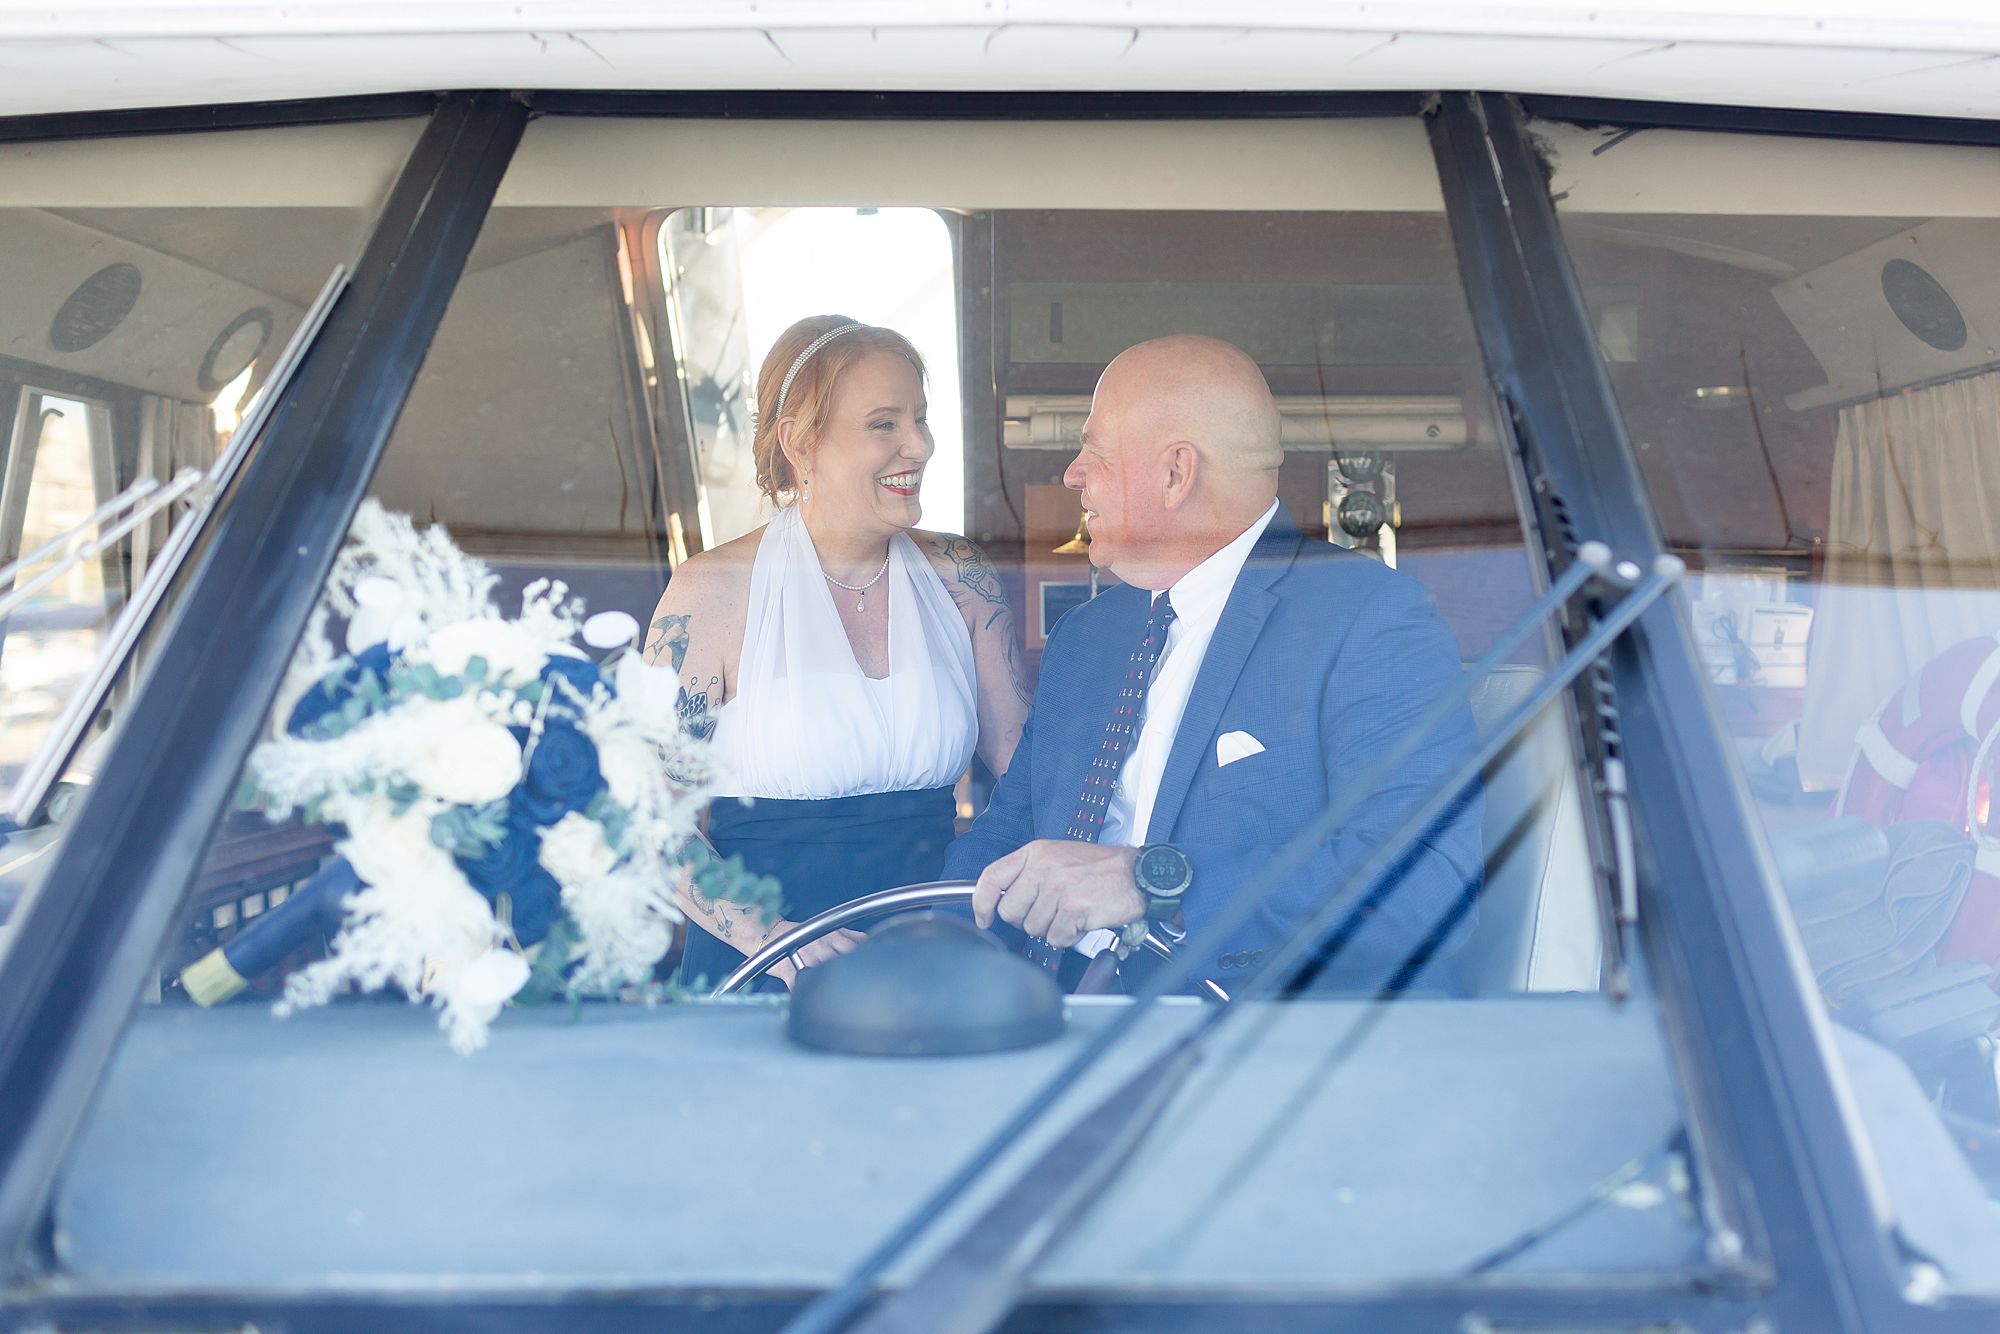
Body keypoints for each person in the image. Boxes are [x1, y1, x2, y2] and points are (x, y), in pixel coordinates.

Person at [944, 334, 1484, 993]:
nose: (1072, 474)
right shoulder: (1086, 637)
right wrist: (935, 945)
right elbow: (1007, 832)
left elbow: (1424, 879)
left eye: (1095, 451)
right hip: (1041, 1023)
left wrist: (1151, 883)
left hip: (1244, 1046)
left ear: (1176, 473)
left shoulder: (1368, 618)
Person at [651, 315, 1030, 989]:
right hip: (765, 962)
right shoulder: (711, 590)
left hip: (936, 946)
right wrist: (774, 943)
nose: (918, 445)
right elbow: (645, 812)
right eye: (884, 423)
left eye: (920, 418)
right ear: (801, 442)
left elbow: (1028, 770)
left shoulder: (959, 575)